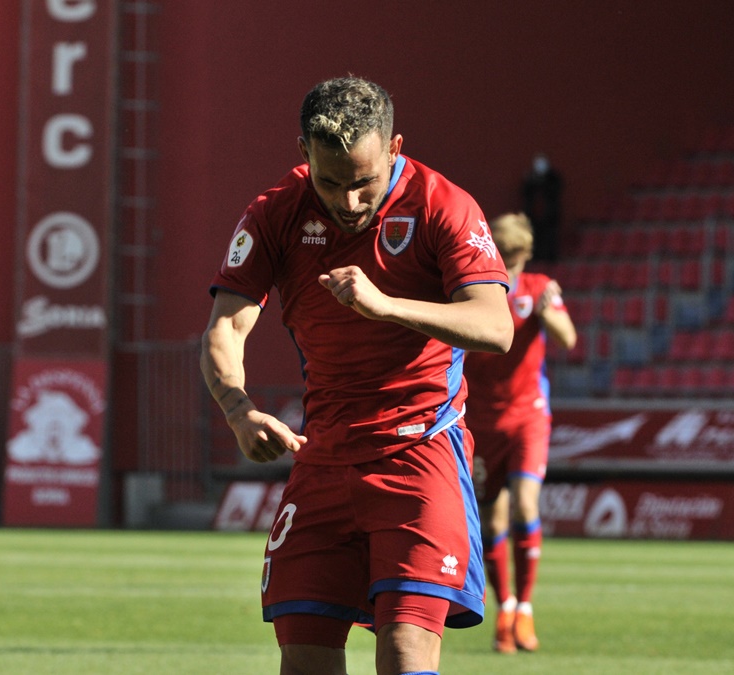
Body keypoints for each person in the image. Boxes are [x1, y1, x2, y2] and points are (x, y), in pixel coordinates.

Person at [200, 76, 513, 675]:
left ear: (395, 148)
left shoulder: (442, 204)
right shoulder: (275, 213)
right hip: (322, 460)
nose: (347, 202)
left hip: (420, 453)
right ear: (303, 154)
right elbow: (225, 329)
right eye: (330, 182)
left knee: (403, 654)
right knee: (304, 659)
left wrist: (388, 305)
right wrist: (238, 410)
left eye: (364, 182)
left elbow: (495, 326)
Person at [463, 213, 576, 654]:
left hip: (528, 415)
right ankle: (505, 608)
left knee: (526, 503)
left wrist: (548, 311)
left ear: (525, 255)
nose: (508, 266)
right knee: (492, 520)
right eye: (503, 256)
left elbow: (567, 338)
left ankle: (525, 609)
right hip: (483, 421)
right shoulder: (474, 293)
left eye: (513, 258)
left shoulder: (538, 288)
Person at [520, 153, 563, 263]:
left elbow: (555, 192)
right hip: (533, 218)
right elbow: (527, 195)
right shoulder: (531, 180)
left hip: (550, 218)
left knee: (550, 238)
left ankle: (550, 258)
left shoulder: (553, 179)